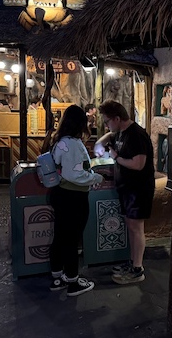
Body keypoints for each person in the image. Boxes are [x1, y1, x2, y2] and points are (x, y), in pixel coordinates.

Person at [96, 100, 155, 285]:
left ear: (117, 118)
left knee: (136, 228)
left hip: (138, 189)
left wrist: (116, 157)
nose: (107, 125)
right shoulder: (121, 132)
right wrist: (102, 141)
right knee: (131, 226)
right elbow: (108, 136)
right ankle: (132, 262)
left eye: (107, 121)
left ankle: (138, 269)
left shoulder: (137, 135)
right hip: (127, 188)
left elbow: (138, 164)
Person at [48, 105, 104, 297]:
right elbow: (75, 174)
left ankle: (57, 277)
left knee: (60, 236)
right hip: (73, 197)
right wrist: (96, 178)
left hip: (60, 194)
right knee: (71, 239)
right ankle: (72, 281)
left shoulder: (59, 141)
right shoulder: (73, 144)